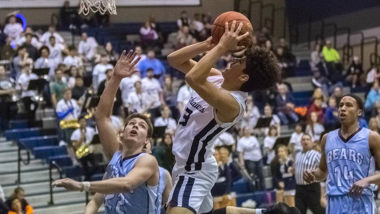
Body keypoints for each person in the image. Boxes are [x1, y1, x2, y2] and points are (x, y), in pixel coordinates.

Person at [165, 21, 280, 214]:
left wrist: (221, 47)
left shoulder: (234, 104)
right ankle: (266, 212)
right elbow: (173, 60)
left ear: (243, 78)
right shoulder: (216, 76)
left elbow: (192, 78)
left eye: (239, 62)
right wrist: (206, 45)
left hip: (195, 169)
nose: (233, 60)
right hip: (186, 164)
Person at [52, 50, 161, 213]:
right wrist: (115, 78)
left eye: (142, 126)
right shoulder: (115, 156)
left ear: (147, 140)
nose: (136, 126)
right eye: (131, 124)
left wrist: (82, 185)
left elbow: (126, 184)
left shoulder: (147, 161)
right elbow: (101, 117)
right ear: (122, 133)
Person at [304, 94, 380, 214]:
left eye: (349, 105)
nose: (343, 108)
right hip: (334, 203)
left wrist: (367, 180)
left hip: (361, 202)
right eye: (340, 105)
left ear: (359, 112)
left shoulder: (372, 137)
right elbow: (322, 173)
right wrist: (313, 175)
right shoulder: (327, 138)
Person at [294, 134, 324, 214]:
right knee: (299, 210)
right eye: (303, 139)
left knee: (316, 209)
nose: (305, 141)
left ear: (311, 142)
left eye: (308, 139)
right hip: (299, 187)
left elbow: (323, 169)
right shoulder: (297, 155)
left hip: (312, 187)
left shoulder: (316, 155)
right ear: (301, 142)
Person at [70, 115, 97, 181]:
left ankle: (86, 177)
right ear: (78, 123)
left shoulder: (91, 130)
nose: (83, 123)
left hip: (89, 151)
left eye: (84, 121)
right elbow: (75, 145)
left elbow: (94, 141)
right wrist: (81, 137)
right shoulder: (75, 133)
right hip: (81, 152)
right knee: (85, 168)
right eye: (81, 121)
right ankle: (87, 179)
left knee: (96, 166)